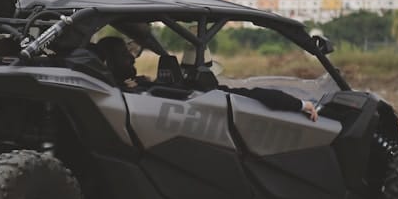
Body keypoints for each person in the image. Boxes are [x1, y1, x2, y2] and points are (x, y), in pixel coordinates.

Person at [95, 35, 317, 120]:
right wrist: (301, 104)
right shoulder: (203, 95)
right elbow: (256, 95)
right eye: (126, 56)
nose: (133, 60)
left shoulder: (123, 90)